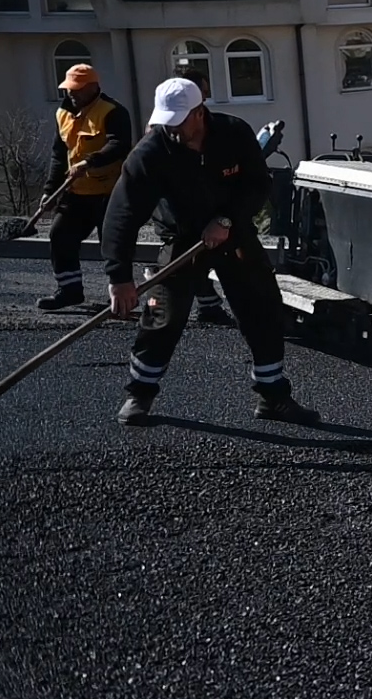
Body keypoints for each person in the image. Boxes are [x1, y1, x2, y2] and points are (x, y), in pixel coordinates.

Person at [102, 78, 318, 428]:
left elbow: (257, 183)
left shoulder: (233, 134)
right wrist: (119, 277)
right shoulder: (151, 152)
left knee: (261, 308)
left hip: (232, 233)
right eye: (166, 121)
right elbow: (122, 214)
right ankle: (139, 394)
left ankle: (273, 396)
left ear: (199, 113)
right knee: (163, 315)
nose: (171, 129)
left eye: (178, 120)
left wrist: (226, 220)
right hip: (183, 239)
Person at [38, 64, 133, 311]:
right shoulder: (63, 114)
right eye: (69, 89)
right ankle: (69, 291)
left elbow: (119, 145)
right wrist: (50, 190)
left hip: (109, 193)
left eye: (77, 89)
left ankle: (120, 297)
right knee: (60, 236)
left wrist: (90, 162)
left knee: (112, 246)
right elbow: (59, 155)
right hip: (76, 192)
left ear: (93, 87)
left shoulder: (113, 111)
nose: (72, 94)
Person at [164, 64, 236, 326]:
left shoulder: (216, 128)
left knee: (202, 259)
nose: (206, 98)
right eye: (203, 93)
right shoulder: (167, 134)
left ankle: (210, 304)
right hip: (176, 211)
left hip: (203, 210)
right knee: (188, 261)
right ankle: (190, 306)